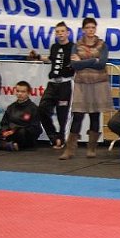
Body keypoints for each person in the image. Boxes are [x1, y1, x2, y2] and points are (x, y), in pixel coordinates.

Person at [59, 17, 112, 160]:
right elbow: (74, 65)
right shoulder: (76, 45)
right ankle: (69, 149)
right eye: (88, 27)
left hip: (98, 83)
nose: (90, 30)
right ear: (83, 29)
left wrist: (83, 61)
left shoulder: (102, 45)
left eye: (93, 27)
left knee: (95, 114)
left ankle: (91, 148)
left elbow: (102, 64)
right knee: (77, 115)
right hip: (81, 83)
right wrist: (93, 60)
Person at [31, 21, 74, 150]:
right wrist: (38, 57)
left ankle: (62, 139)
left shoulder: (73, 47)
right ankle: (54, 136)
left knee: (63, 114)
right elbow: (51, 59)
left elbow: (78, 60)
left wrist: (73, 64)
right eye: (57, 32)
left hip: (65, 83)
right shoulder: (54, 47)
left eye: (62, 31)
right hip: (53, 83)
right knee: (42, 109)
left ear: (67, 33)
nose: (60, 34)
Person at [0, 81, 42, 151]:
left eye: (23, 92)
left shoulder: (33, 108)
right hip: (9, 135)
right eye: (18, 91)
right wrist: (5, 131)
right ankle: (8, 145)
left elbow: (36, 128)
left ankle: (4, 144)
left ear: (28, 93)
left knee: (22, 132)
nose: (20, 94)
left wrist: (15, 130)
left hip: (23, 136)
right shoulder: (11, 107)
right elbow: (4, 123)